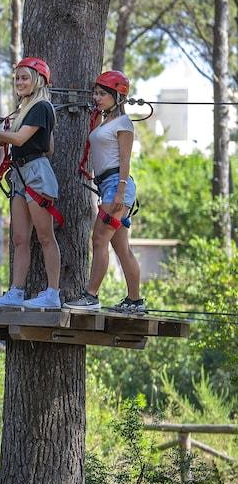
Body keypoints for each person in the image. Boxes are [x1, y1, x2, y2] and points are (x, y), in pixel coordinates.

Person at [0, 57, 62, 309]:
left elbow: (20, 140)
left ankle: (53, 293)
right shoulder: (26, 109)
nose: (19, 82)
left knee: (45, 236)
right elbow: (50, 146)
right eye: (17, 78)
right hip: (22, 173)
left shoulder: (41, 107)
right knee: (20, 239)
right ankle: (16, 291)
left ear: (38, 80)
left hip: (35, 174)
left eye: (25, 77)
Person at [65, 71, 145, 313]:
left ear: (117, 96)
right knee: (121, 248)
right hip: (107, 186)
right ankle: (135, 301)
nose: (97, 97)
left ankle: (91, 296)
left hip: (116, 186)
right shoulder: (105, 121)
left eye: (103, 94)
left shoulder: (123, 123)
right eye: (96, 93)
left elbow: (125, 160)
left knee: (99, 239)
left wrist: (119, 193)